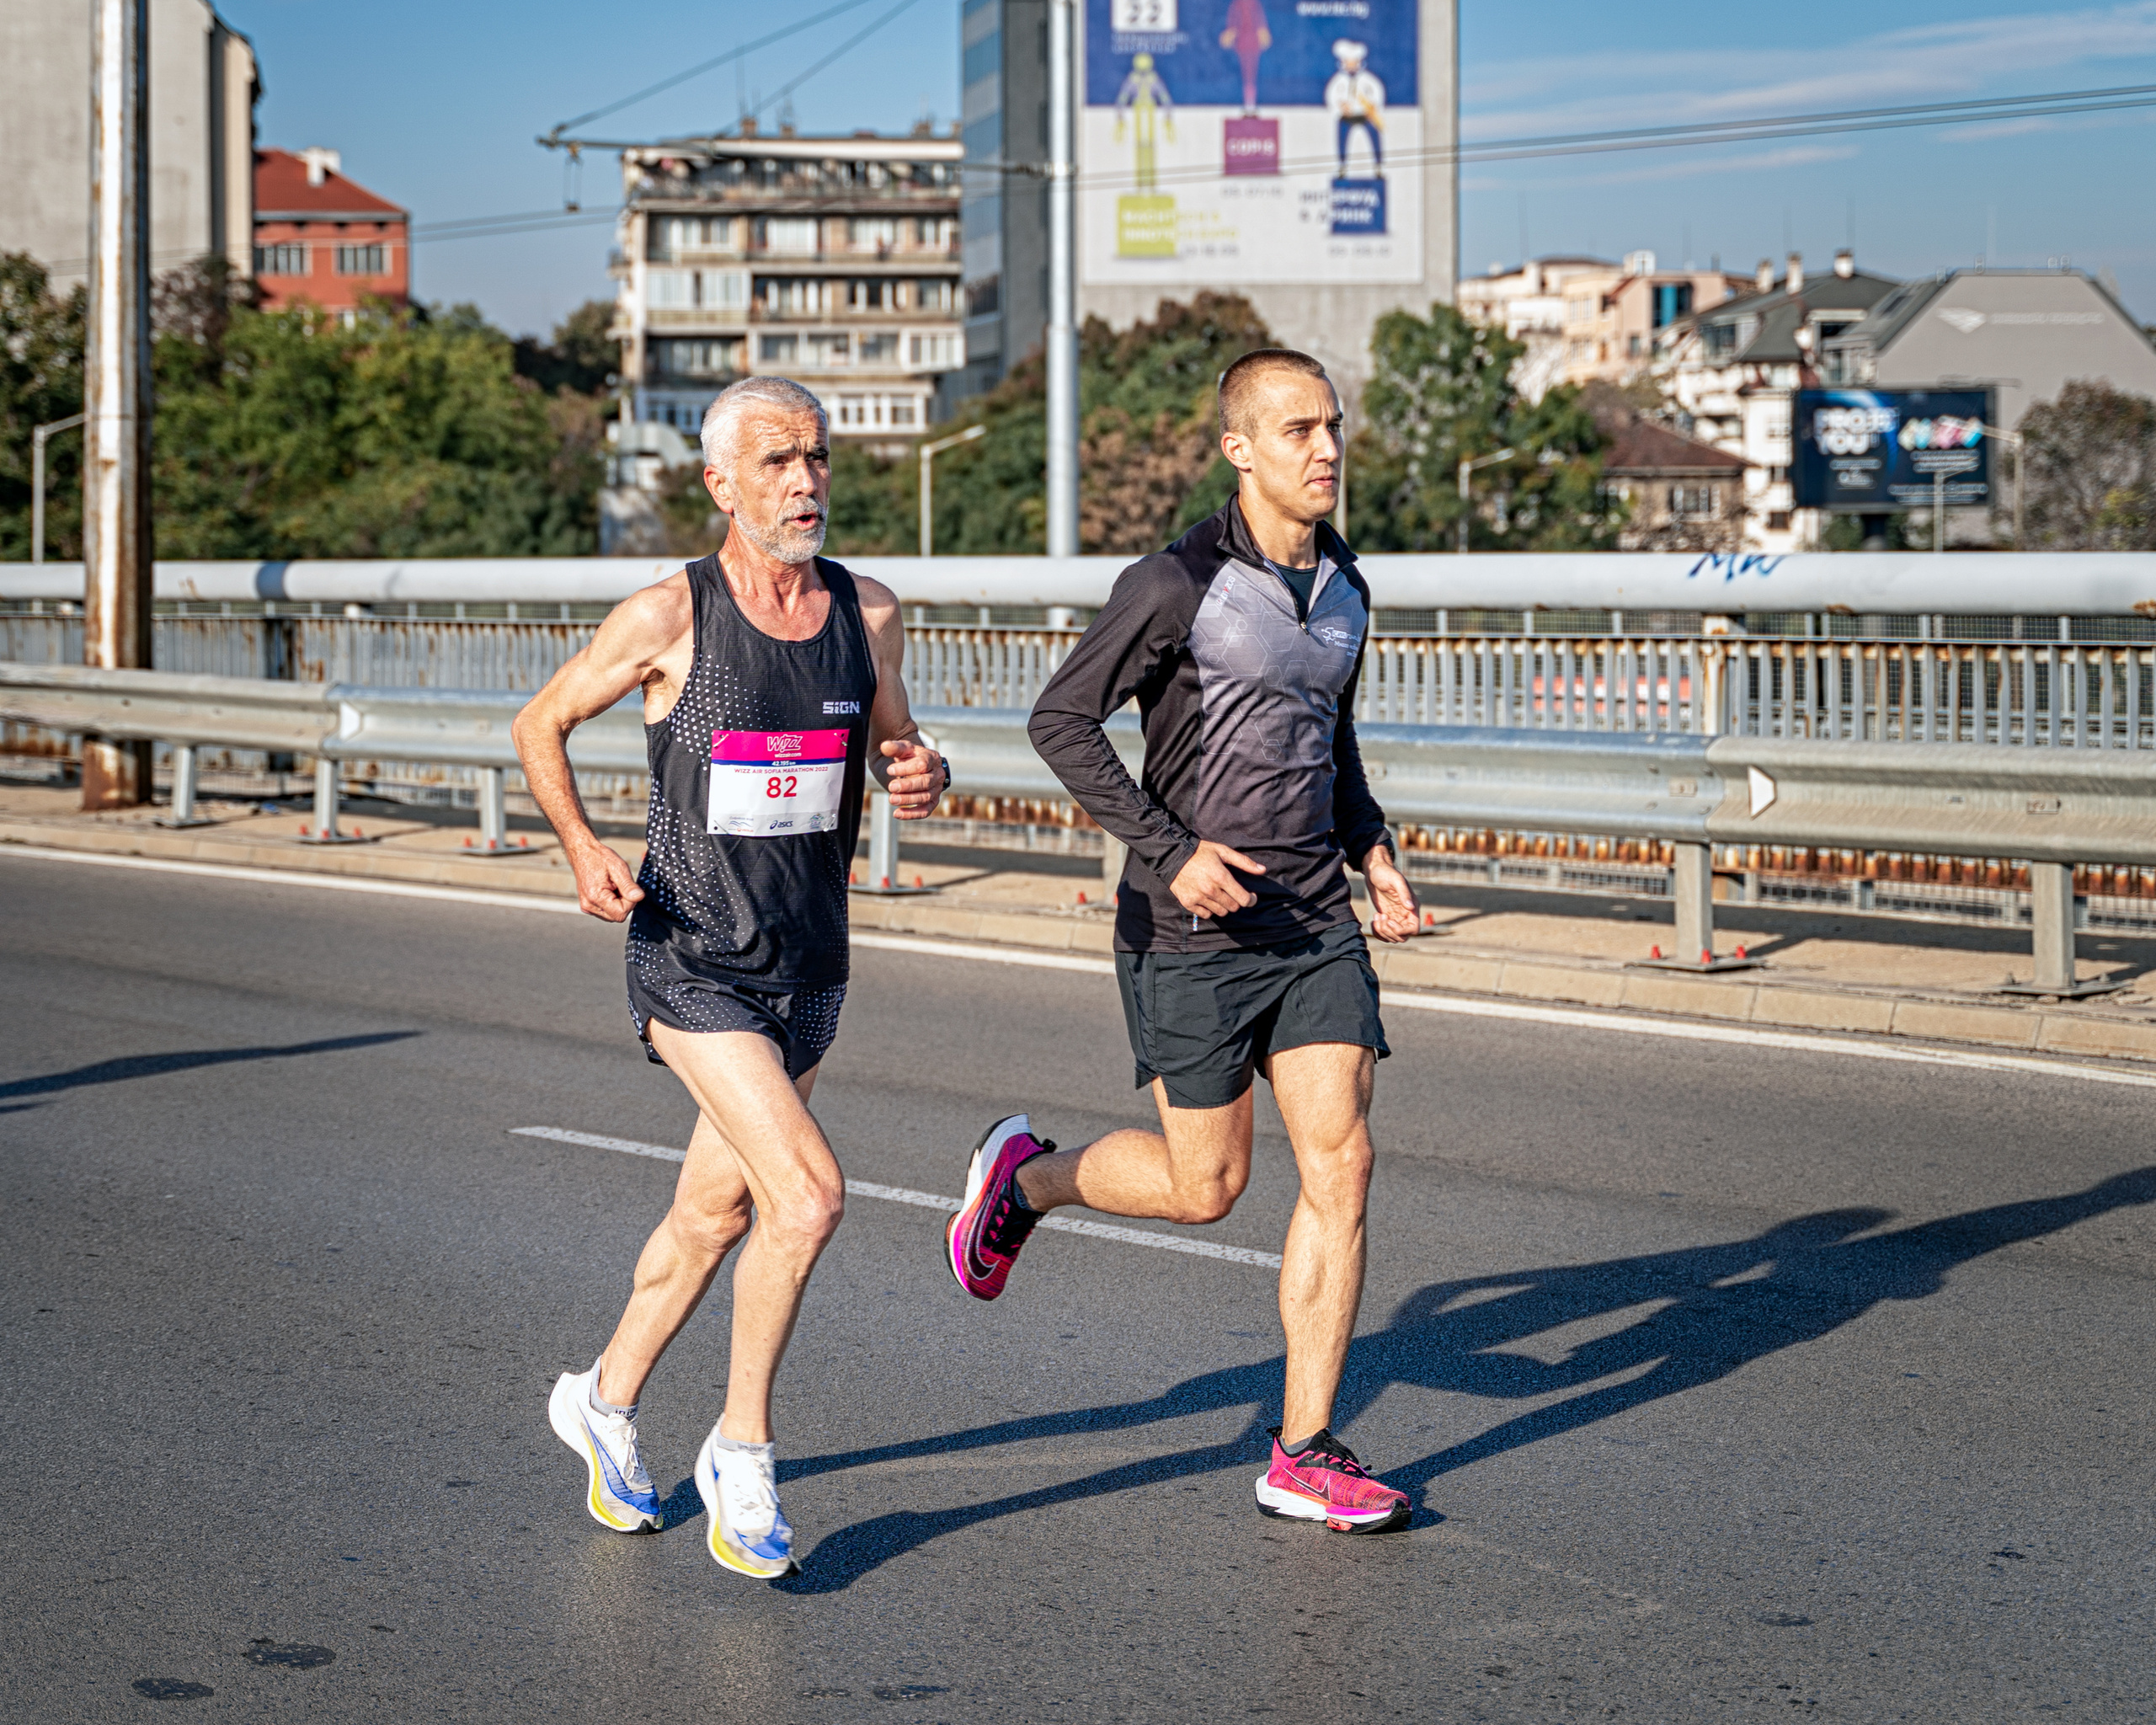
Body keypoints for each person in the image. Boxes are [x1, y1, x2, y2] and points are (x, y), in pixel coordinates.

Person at [947, 348, 1421, 1534]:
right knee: (1206, 1187)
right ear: (1239, 450)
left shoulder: (1348, 583)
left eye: (1334, 426)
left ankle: (1303, 1450)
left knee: (1345, 1164)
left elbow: (1327, 739)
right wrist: (1171, 852)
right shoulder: (1175, 584)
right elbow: (1061, 719)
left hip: (1313, 923)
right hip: (1190, 931)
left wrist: (1373, 850)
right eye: (1299, 430)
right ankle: (1027, 1181)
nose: (1326, 449)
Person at [513, 375, 947, 1579]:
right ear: (720, 484)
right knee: (805, 1198)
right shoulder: (672, 615)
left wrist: (921, 769)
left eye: (816, 458)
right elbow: (540, 723)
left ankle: (601, 1400)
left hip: (810, 966)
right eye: (775, 462)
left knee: (714, 1214)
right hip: (691, 957)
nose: (805, 482)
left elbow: (894, 742)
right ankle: (740, 1452)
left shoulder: (869, 611)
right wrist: (582, 846)